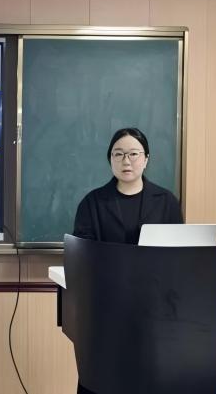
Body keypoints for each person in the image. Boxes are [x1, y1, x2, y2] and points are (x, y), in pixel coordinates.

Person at [72, 127, 183, 394]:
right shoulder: (92, 203)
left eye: (134, 154)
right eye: (118, 154)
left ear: (146, 159)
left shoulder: (166, 202)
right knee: (102, 380)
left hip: (154, 313)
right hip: (105, 311)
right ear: (109, 159)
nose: (126, 161)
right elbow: (82, 256)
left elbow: (180, 256)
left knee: (149, 381)